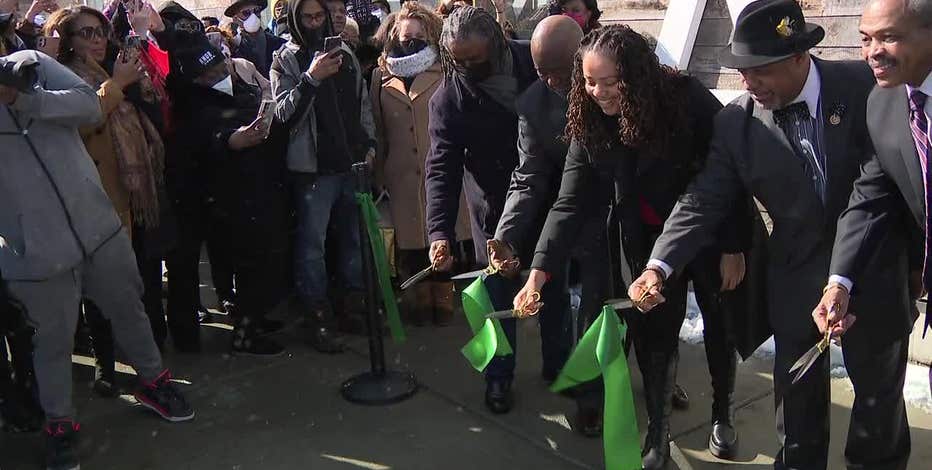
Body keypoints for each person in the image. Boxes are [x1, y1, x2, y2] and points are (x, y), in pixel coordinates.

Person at [627, 1, 916, 468]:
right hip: (796, 277)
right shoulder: (737, 123)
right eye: (741, 71)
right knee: (797, 407)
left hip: (874, 272)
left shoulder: (868, 89)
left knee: (878, 405)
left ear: (800, 56)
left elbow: (904, 179)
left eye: (759, 69)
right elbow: (703, 200)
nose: (748, 82)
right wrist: (660, 264)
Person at [511, 24, 743, 468]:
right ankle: (658, 433)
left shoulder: (686, 98)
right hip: (646, 237)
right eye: (589, 81)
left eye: (610, 82)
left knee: (720, 322)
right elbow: (569, 201)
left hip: (712, 232)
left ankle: (723, 410)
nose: (598, 92)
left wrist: (733, 244)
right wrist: (538, 273)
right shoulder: (589, 117)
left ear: (636, 74)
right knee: (654, 333)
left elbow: (727, 172)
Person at [1, 48, 194, 470]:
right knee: (51, 342)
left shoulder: (32, 65)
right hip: (33, 254)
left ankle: (152, 380)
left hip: (97, 228)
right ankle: (60, 425)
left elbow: (90, 107)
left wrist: (24, 98)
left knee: (129, 308)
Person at [813, 0, 932, 463]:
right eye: (865, 38)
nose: (872, 52)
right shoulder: (883, 103)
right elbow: (871, 197)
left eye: (888, 37)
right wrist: (840, 280)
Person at [425, 5, 537, 414]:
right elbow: (441, 168)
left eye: (476, 58)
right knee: (495, 299)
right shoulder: (448, 98)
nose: (469, 67)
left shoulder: (533, 61)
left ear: (498, 43)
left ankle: (565, 370)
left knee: (554, 293)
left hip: (547, 199)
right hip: (492, 209)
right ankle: (498, 377)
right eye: (459, 60)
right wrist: (438, 232)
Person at [489, 14, 593, 431]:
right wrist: (506, 234)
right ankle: (565, 373)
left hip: (616, 211)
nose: (549, 81)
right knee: (552, 287)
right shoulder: (532, 104)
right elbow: (528, 175)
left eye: (558, 71)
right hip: (560, 213)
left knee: (606, 307)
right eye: (540, 72)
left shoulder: (610, 84)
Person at [169, 37, 290, 357]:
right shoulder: (194, 107)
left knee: (263, 262)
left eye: (221, 68)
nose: (219, 76)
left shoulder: (239, 89)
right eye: (209, 74)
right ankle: (245, 334)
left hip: (257, 190)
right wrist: (234, 140)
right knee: (250, 266)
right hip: (229, 200)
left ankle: (255, 319)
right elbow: (214, 138)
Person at [270, 0, 376, 352]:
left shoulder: (343, 49)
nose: (316, 24)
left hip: (350, 163)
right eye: (308, 18)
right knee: (312, 245)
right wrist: (310, 78)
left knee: (353, 238)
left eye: (321, 17)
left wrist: (369, 142)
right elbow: (282, 114)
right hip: (313, 169)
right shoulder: (286, 58)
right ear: (296, 20)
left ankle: (352, 305)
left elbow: (361, 103)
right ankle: (318, 316)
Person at [370, 1, 469, 326]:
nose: (409, 41)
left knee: (441, 241)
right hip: (400, 176)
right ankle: (416, 307)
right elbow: (379, 131)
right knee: (410, 246)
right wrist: (380, 172)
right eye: (404, 35)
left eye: (418, 35)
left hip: (439, 169)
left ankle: (443, 307)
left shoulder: (446, 70)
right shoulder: (380, 76)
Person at [224, 0, 286, 77]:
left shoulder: (279, 44)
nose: (253, 16)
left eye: (256, 11)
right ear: (235, 19)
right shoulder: (232, 48)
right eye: (246, 13)